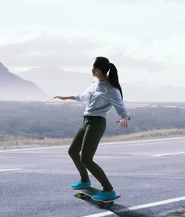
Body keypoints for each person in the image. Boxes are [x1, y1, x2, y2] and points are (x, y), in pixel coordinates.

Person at [54, 57, 131, 201]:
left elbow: (121, 107)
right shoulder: (94, 82)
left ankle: (108, 190)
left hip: (97, 124)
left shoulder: (111, 89)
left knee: (86, 159)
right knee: (72, 151)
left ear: (97, 70)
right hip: (87, 121)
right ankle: (85, 180)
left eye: (92, 68)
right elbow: (84, 96)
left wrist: (125, 118)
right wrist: (66, 97)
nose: (91, 70)